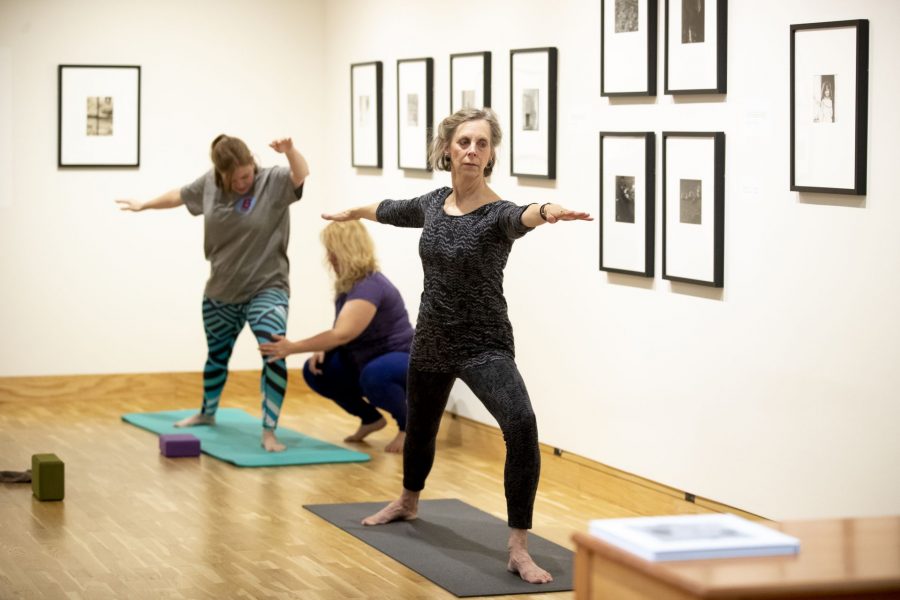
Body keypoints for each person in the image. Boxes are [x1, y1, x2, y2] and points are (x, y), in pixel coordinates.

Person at [322, 107, 591, 584]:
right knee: (421, 429)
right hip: (431, 339)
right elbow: (389, 209)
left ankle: (518, 546)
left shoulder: (497, 213)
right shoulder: (432, 204)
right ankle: (407, 500)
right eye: (464, 142)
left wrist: (547, 211)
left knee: (522, 424)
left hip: (484, 344)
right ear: (448, 148)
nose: (472, 150)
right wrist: (353, 211)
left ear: (490, 156)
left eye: (482, 144)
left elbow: (522, 216)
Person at [115, 134, 309, 452]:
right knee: (217, 356)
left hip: (268, 285)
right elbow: (179, 195)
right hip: (222, 289)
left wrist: (290, 152)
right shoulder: (210, 184)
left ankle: (269, 431)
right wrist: (144, 205)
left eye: (247, 174)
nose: (244, 181)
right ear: (222, 175)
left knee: (274, 352)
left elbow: (300, 174)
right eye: (237, 178)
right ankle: (207, 413)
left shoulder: (270, 180)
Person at [258, 221, 413, 453]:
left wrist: (291, 347)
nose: (329, 258)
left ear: (345, 252)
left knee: (376, 375)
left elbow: (343, 333)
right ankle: (371, 419)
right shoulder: (349, 286)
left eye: (332, 252)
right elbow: (343, 329)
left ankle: (408, 428)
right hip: (365, 357)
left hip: (400, 358)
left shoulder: (370, 286)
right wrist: (325, 348)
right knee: (318, 371)